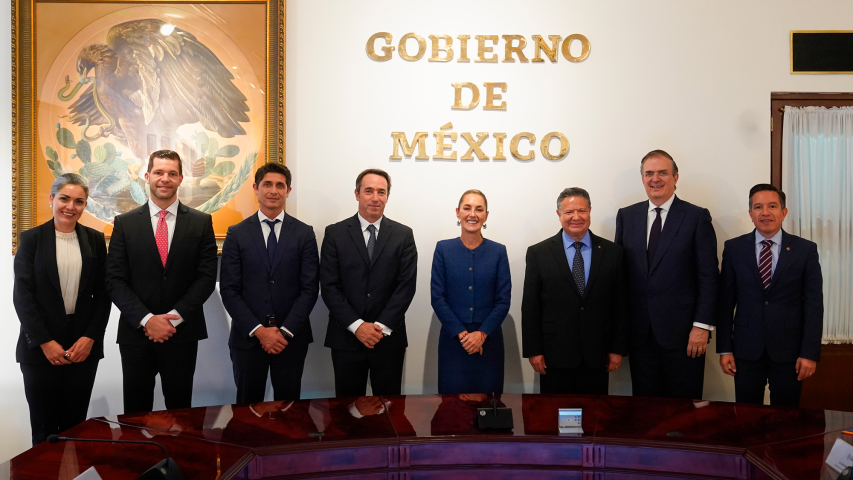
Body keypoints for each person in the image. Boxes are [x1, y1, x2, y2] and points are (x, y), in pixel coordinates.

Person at [106, 149, 217, 414]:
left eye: (171, 173)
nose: (164, 179)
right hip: (136, 334)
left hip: (182, 334)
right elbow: (115, 280)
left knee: (181, 413)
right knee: (135, 413)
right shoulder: (125, 223)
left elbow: (206, 278)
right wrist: (147, 320)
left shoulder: (201, 223)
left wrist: (173, 319)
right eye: (158, 172)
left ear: (180, 179)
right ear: (147, 176)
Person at [13, 174, 111, 445]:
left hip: (82, 347)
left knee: (75, 428)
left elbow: (103, 295)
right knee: (45, 430)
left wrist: (90, 338)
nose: (70, 206)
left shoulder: (94, 240)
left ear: (85, 205)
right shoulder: (31, 239)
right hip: (40, 348)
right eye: (64, 199)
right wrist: (45, 342)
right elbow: (23, 296)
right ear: (51, 199)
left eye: (79, 201)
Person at [615, 150, 719, 399]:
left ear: (675, 177)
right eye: (649, 173)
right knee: (645, 409)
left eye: (663, 172)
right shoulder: (627, 216)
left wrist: (702, 326)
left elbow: (709, 276)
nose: (655, 178)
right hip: (640, 335)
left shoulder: (696, 216)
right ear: (642, 179)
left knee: (684, 410)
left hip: (685, 335)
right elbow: (619, 277)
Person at [220, 163, 319, 403]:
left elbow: (310, 288)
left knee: (290, 409)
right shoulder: (236, 233)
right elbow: (229, 289)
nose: (273, 190)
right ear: (256, 188)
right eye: (267, 184)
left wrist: (283, 332)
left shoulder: (304, 233)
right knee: (247, 410)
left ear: (288, 190)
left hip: (291, 339)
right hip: (248, 338)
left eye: (280, 185)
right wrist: (260, 331)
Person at [717, 184, 823, 406]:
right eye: (758, 207)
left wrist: (809, 352)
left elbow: (814, 305)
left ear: (784, 212)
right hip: (745, 350)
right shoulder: (734, 248)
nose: (765, 212)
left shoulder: (805, 250)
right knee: (746, 416)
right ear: (750, 214)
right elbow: (725, 302)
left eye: (772, 206)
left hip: (790, 351)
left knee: (785, 419)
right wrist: (725, 348)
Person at [320, 168, 417, 397]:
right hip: (346, 337)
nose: (375, 198)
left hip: (388, 340)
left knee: (390, 413)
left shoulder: (403, 235)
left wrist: (379, 328)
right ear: (357, 194)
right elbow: (329, 286)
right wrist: (357, 326)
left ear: (387, 196)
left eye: (381, 192)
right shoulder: (335, 233)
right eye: (369, 191)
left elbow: (406, 286)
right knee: (346, 414)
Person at [522, 187, 629, 394]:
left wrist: (617, 349)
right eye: (569, 212)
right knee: (554, 417)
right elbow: (530, 307)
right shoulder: (539, 253)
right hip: (554, 354)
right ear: (558, 214)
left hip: (598, 354)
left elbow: (621, 304)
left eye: (582, 211)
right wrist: (534, 351)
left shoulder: (613, 253)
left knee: (594, 419)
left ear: (590, 211)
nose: (576, 217)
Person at [430, 189, 511, 394]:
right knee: (452, 410)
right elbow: (438, 298)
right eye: (467, 208)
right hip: (453, 341)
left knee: (489, 408)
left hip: (489, 341)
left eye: (479, 209)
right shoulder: (443, 249)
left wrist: (481, 334)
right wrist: (463, 335)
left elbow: (503, 300)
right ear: (458, 212)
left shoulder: (498, 251)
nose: (472, 214)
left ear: (486, 216)